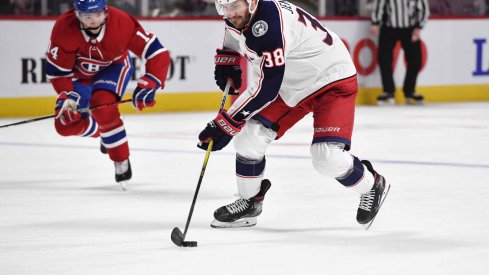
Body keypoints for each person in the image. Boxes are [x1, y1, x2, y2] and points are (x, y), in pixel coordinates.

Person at [197, 0, 390, 229]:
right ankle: (250, 202)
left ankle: (371, 184)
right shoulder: (242, 14)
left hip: (331, 80)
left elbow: (266, 88)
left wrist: (226, 122)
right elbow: (232, 32)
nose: (229, 14)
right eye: (223, 8)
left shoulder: (268, 25)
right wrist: (228, 56)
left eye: (233, 6)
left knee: (326, 158)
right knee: (249, 138)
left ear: (250, 2)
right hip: (292, 85)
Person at [46, 0, 171, 190]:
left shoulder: (122, 22)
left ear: (105, 11)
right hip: (78, 78)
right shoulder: (64, 27)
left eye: (98, 14)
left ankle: (120, 158)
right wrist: (67, 95)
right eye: (88, 16)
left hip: (114, 68)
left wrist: (153, 80)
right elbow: (59, 72)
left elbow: (156, 52)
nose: (94, 20)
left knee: (103, 106)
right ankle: (101, 130)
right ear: (77, 14)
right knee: (64, 125)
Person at [371, 0, 430, 105]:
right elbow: (379, 5)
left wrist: (419, 26)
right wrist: (375, 22)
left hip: (410, 28)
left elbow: (423, 8)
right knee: (384, 59)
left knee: (415, 60)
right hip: (388, 27)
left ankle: (410, 91)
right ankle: (388, 90)